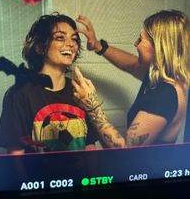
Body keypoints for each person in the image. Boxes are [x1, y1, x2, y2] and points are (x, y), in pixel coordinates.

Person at [72, 10, 190, 148]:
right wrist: (98, 46)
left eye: (140, 39)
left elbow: (126, 152)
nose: (135, 43)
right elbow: (131, 65)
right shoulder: (160, 75)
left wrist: (92, 107)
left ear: (159, 47)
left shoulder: (165, 93)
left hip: (150, 169)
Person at [0, 12, 97, 154]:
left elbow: (90, 145)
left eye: (74, 39)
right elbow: (16, 153)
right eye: (60, 37)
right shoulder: (19, 94)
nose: (71, 44)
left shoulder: (81, 91)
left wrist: (92, 176)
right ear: (39, 47)